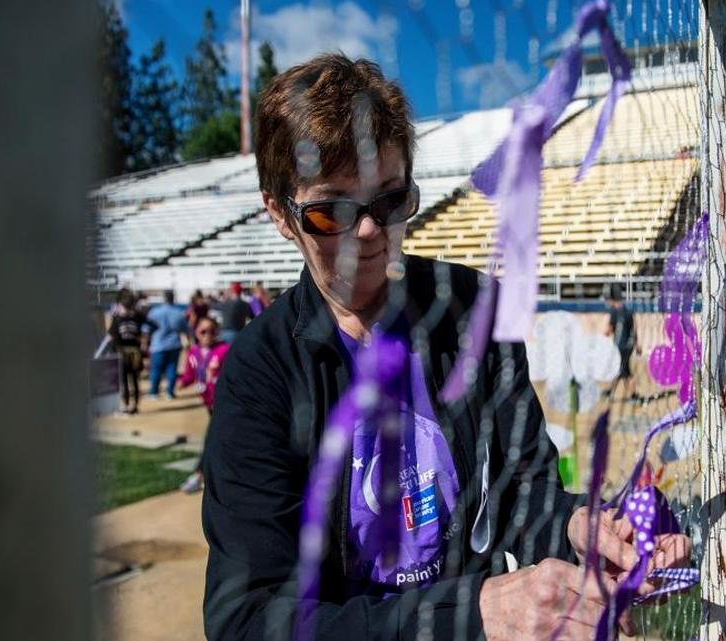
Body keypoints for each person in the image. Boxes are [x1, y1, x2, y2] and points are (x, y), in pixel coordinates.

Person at [202, 53, 691, 641]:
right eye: (331, 211)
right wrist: (472, 613)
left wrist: (579, 525)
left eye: (388, 201)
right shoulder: (260, 373)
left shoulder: (470, 309)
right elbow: (247, 621)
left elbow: (519, 490)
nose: (368, 232)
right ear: (281, 213)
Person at [176, 316, 230, 494]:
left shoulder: (224, 350)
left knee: (211, 439)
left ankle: (199, 475)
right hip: (209, 403)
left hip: (223, 403)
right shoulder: (193, 352)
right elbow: (190, 375)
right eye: (203, 331)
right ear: (196, 333)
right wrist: (181, 382)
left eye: (211, 331)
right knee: (220, 439)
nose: (207, 335)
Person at [107, 288, 152, 414]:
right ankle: (135, 405)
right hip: (134, 352)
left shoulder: (117, 318)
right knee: (134, 379)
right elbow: (151, 325)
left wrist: (112, 350)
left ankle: (127, 405)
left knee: (125, 380)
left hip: (122, 352)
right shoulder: (138, 316)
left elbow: (112, 336)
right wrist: (144, 340)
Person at [146, 290, 189, 399]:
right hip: (174, 344)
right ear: (173, 298)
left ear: (164, 298)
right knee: (172, 369)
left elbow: (147, 328)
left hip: (157, 344)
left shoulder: (154, 312)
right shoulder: (178, 312)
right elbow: (185, 328)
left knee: (156, 369)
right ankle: (169, 392)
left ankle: (154, 392)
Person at [605, 283, 639, 400]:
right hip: (628, 347)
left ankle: (630, 394)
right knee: (624, 371)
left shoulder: (614, 312)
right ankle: (629, 394)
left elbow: (609, 330)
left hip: (619, 346)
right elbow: (634, 330)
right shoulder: (628, 311)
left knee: (621, 371)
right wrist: (637, 344)